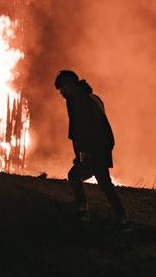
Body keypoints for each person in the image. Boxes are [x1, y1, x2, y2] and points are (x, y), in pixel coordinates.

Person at [54, 70, 129, 229]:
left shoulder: (76, 100)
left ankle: (83, 212)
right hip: (102, 149)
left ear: (70, 85)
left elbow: (81, 129)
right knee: (104, 183)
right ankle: (121, 217)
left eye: (62, 88)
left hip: (91, 150)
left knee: (74, 176)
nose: (61, 93)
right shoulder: (93, 98)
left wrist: (83, 153)